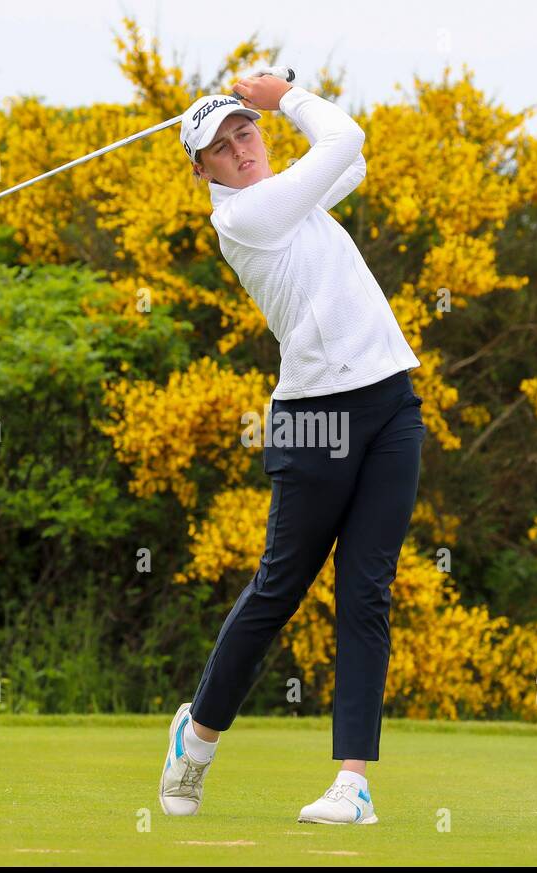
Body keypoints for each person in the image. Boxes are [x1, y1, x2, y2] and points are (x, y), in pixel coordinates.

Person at [159, 73, 424, 825]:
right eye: (220, 147)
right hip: (314, 421)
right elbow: (343, 140)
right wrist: (281, 95)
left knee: (365, 590)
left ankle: (352, 785)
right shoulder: (246, 217)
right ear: (202, 171)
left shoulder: (290, 197)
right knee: (279, 590)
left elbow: (353, 163)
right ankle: (198, 736)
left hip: (391, 404)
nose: (239, 149)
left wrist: (286, 104)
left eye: (245, 131)